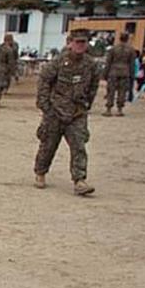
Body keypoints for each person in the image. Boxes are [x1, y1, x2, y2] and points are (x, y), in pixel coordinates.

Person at [33, 28, 101, 196]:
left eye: (83, 42)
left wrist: (86, 106)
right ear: (70, 43)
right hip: (55, 111)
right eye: (77, 42)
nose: (80, 45)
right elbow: (44, 83)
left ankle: (79, 180)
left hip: (77, 112)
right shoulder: (57, 62)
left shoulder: (90, 64)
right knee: (48, 145)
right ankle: (40, 172)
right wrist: (45, 107)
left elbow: (93, 86)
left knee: (79, 146)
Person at [103, 31, 136, 117]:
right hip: (125, 72)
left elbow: (108, 62)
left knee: (110, 91)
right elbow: (132, 64)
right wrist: (132, 75)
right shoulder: (131, 50)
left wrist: (105, 74)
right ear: (127, 38)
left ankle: (108, 109)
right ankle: (119, 109)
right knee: (122, 91)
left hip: (113, 71)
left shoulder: (113, 48)